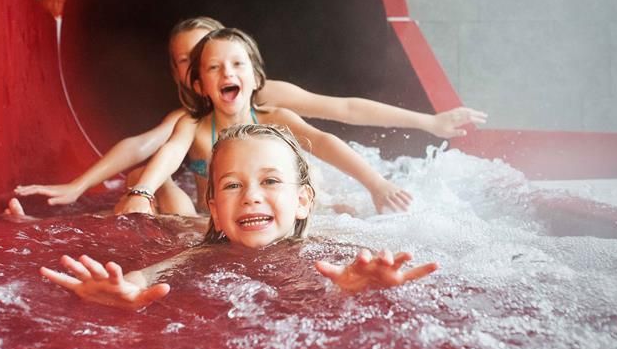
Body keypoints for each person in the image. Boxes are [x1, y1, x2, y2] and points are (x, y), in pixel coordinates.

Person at [13, 17, 487, 211]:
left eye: (226, 58)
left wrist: (428, 125)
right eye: (194, 62)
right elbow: (146, 148)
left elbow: (341, 113)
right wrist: (81, 187)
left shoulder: (268, 102)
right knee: (148, 183)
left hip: (287, 198)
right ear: (188, 75)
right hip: (226, 213)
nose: (218, 70)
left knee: (322, 201)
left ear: (248, 66)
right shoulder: (189, 121)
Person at [39, 124, 438, 309]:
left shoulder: (330, 251)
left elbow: (356, 280)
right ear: (214, 209)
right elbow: (143, 278)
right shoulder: (203, 255)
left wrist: (365, 288)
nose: (250, 197)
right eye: (232, 186)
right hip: (187, 225)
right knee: (172, 212)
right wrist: (118, 291)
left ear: (302, 202)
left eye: (270, 181)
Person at [116, 27, 413, 215]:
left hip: (272, 210)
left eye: (237, 64)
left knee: (330, 205)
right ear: (200, 86)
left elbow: (322, 142)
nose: (227, 73)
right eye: (214, 67)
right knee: (150, 185)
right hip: (217, 216)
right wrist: (143, 191)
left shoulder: (275, 118)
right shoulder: (194, 126)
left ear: (257, 78)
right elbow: (170, 153)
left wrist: (376, 184)